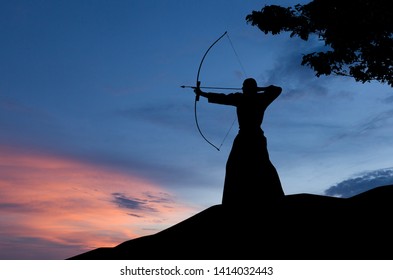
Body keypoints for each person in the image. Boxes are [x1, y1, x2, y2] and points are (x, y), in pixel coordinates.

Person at [194, 78, 284, 208]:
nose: (242, 88)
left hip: (253, 137)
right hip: (246, 137)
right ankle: (235, 201)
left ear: (249, 88)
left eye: (244, 86)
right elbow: (222, 98)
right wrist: (202, 93)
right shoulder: (252, 98)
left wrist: (257, 90)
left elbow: (277, 90)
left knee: (262, 165)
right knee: (234, 165)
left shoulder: (255, 98)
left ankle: (272, 198)